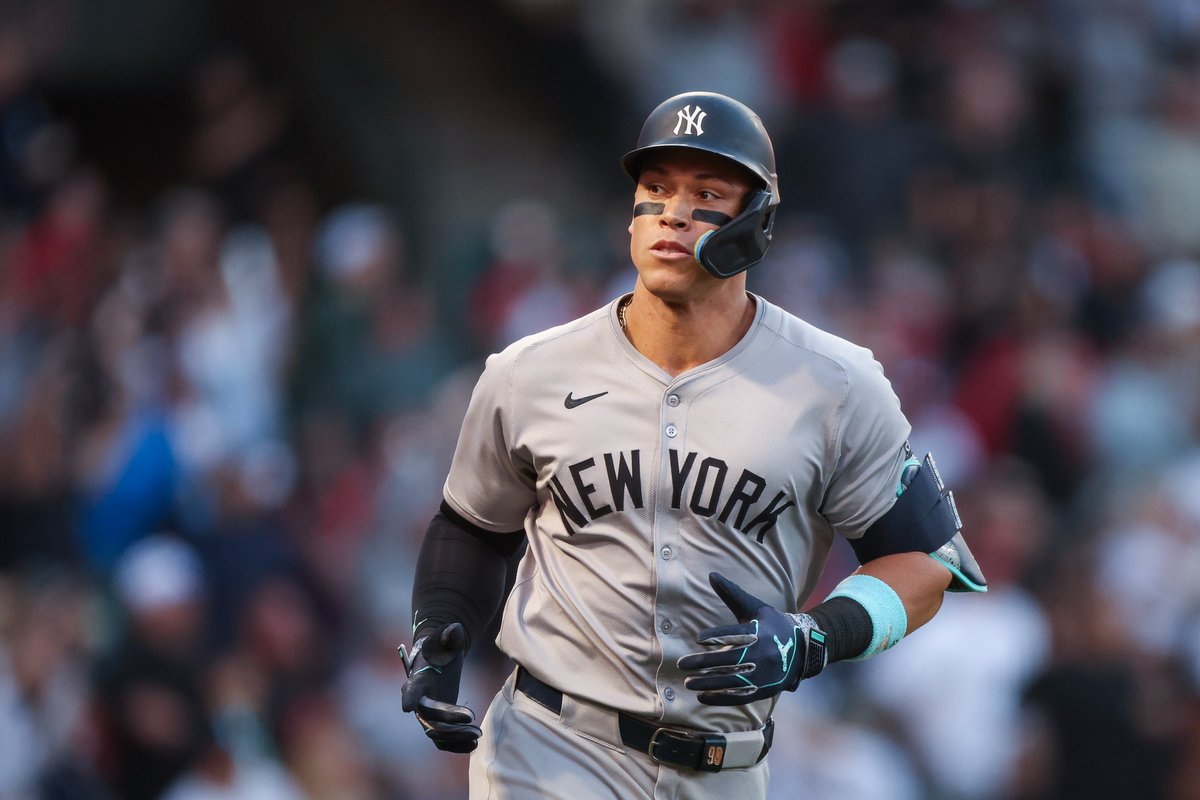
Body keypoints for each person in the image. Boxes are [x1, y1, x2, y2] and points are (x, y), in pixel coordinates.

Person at [399, 91, 987, 799]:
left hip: (725, 767)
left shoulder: (836, 384)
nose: (673, 213)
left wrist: (817, 636)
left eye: (706, 192)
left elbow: (925, 563)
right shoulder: (530, 372)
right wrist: (439, 627)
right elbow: (473, 525)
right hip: (551, 748)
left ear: (757, 222)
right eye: (656, 188)